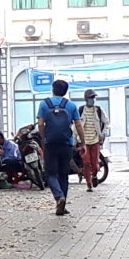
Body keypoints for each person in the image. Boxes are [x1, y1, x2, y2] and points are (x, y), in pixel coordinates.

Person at [37, 80, 86, 216]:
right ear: (65, 91)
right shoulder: (70, 105)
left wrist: (43, 139)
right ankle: (62, 206)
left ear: (53, 89)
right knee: (64, 175)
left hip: (50, 143)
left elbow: (40, 124)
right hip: (66, 144)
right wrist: (83, 143)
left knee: (51, 174)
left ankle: (59, 198)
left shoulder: (44, 104)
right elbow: (78, 125)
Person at [78, 89, 110, 191]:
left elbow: (107, 123)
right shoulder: (80, 110)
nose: (92, 100)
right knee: (86, 163)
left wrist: (103, 134)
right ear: (86, 99)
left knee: (95, 164)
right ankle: (88, 183)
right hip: (83, 142)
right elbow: (75, 125)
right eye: (90, 98)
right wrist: (76, 138)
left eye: (93, 97)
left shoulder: (99, 110)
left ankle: (95, 176)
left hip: (95, 141)